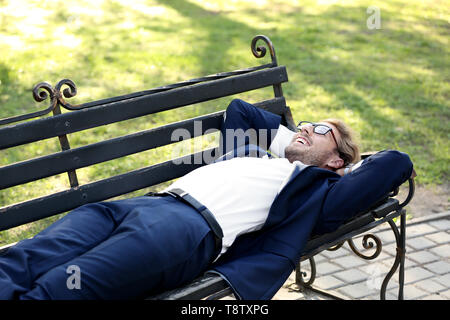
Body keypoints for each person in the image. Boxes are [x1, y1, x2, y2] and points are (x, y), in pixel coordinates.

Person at [0, 99, 414, 300]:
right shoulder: (253, 153)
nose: (304, 127)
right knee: (21, 260)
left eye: (319, 129)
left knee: (59, 289)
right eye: (302, 124)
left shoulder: (317, 192)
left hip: (185, 232)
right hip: (141, 205)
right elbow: (241, 111)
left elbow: (396, 161)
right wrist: (292, 141)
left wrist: (329, 167)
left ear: (338, 160)